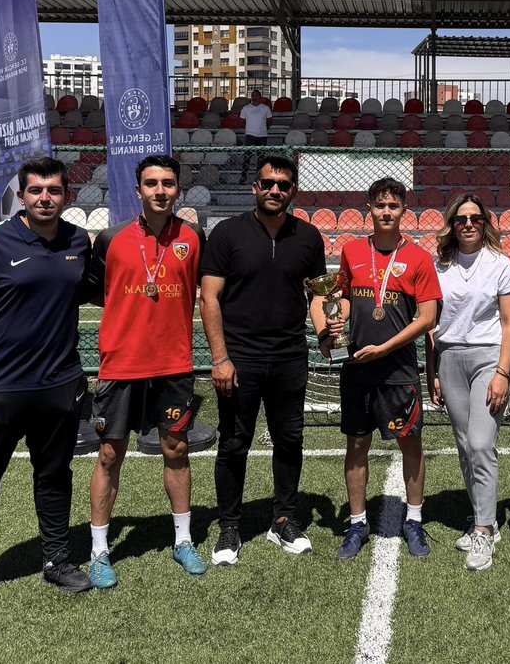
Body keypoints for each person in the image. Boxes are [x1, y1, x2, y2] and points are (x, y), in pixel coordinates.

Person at [0, 157, 93, 615]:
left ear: (67, 195)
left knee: (54, 476)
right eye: (36, 191)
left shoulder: (79, 242)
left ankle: (56, 559)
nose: (45, 198)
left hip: (58, 385)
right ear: (22, 196)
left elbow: (109, 293)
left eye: (54, 191)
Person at [83, 155, 208, 588]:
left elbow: (207, 292)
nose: (160, 191)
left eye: (168, 183)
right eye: (151, 184)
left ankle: (183, 540)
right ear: (138, 191)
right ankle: (99, 551)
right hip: (122, 363)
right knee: (109, 455)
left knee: (176, 449)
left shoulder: (194, 237)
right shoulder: (110, 239)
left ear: (178, 190)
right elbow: (96, 291)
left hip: (174, 364)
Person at [201, 155, 326, 566]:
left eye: (283, 185)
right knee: (234, 443)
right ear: (255, 187)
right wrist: (220, 358)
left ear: (294, 192)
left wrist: (328, 334)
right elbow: (209, 298)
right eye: (268, 183)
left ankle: (283, 519)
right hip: (239, 359)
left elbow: (318, 295)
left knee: (290, 440)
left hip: (290, 356)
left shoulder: (309, 237)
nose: (275, 190)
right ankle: (229, 526)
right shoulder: (227, 233)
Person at [312, 177, 441, 560]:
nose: (386, 212)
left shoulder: (418, 258)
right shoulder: (352, 251)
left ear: (405, 211)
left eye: (393, 206)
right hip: (356, 368)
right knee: (356, 444)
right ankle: (357, 523)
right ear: (368, 208)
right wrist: (333, 322)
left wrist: (385, 347)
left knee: (410, 443)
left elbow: (428, 318)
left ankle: (414, 520)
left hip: (399, 370)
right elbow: (343, 300)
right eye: (380, 205)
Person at [425, 194, 510, 572]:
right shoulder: (438, 266)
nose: (468, 224)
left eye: (475, 218)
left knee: (481, 443)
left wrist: (502, 372)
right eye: (461, 219)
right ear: (452, 224)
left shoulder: (500, 264)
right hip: (449, 358)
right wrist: (433, 372)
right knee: (465, 446)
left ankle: (483, 530)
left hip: (488, 359)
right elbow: (431, 326)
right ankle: (485, 519)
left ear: (485, 224)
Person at [238, 90, 272, 184]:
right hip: (249, 135)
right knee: (246, 157)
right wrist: (250, 129)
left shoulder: (266, 108)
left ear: (260, 97)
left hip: (262, 136)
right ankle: (243, 178)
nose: (254, 97)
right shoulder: (246, 108)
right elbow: (242, 122)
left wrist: (263, 129)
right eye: (253, 95)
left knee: (261, 158)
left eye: (256, 95)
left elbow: (269, 121)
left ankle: (259, 179)